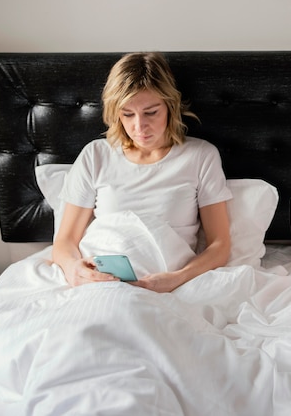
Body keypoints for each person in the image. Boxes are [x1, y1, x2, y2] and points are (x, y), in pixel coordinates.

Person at [52, 52, 232, 292]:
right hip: (102, 281)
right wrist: (74, 269)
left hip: (168, 279)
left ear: (170, 106)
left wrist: (176, 278)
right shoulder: (95, 155)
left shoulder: (200, 156)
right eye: (127, 114)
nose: (139, 126)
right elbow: (64, 242)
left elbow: (220, 245)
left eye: (151, 112)